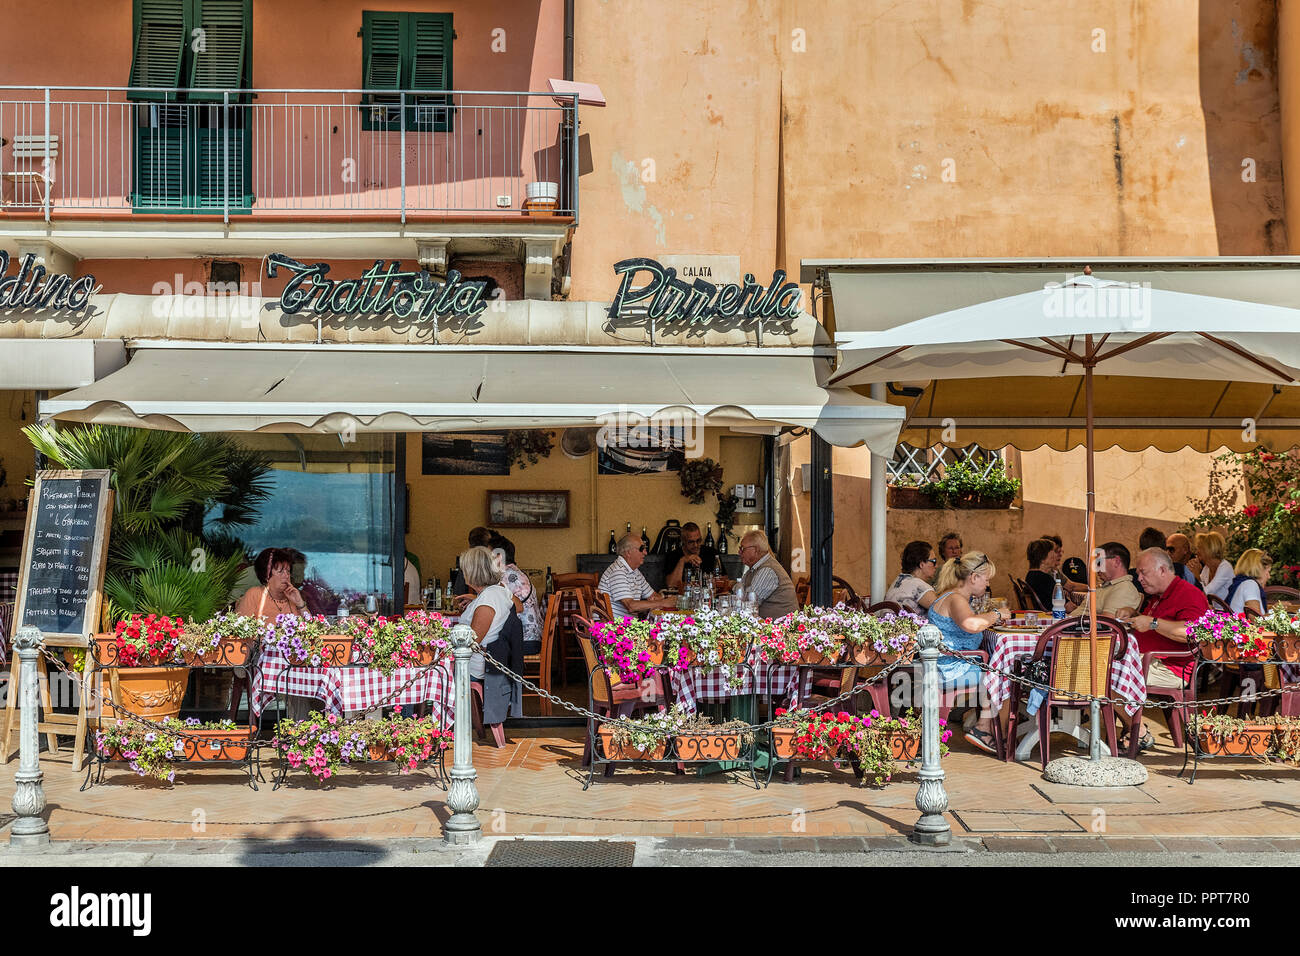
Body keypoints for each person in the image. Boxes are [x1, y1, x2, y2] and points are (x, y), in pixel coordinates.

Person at [1123, 547, 1210, 749]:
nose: (1139, 578)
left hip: (1169, 668)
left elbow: (1191, 632)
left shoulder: (1189, 594)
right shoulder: (1157, 594)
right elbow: (1152, 623)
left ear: (1162, 570)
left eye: (1143, 572)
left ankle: (1139, 733)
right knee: (1099, 664)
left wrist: (1153, 623)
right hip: (1146, 660)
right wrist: (1133, 614)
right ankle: (1131, 729)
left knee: (1106, 674)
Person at [927, 552, 1005, 754]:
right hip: (950, 668)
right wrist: (996, 615)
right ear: (973, 577)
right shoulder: (956, 599)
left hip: (948, 664)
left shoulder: (950, 596)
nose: (987, 585)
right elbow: (970, 624)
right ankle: (985, 728)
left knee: (996, 671)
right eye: (986, 579)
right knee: (1004, 676)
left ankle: (982, 720)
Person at [460, 545, 524, 736]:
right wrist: (477, 598)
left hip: (474, 665)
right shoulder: (501, 590)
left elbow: (469, 644)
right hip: (494, 658)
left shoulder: (487, 603)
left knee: (425, 670)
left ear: (472, 572)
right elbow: (518, 607)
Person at [599, 533, 677, 618]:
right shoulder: (618, 571)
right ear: (628, 552)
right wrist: (662, 603)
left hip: (627, 625)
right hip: (613, 627)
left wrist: (656, 600)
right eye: (642, 549)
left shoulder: (634, 571)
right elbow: (631, 606)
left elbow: (653, 596)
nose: (646, 553)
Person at [489, 531, 542, 651]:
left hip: (524, 640)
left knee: (483, 646)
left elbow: (495, 606)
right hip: (531, 637)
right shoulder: (514, 573)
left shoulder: (506, 576)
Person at [1068, 541, 1141, 619]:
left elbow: (1107, 625)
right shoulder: (1107, 586)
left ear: (1116, 561)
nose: (1096, 569)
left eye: (1099, 563)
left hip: (1079, 629)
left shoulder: (1124, 588)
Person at [736, 530, 799, 618]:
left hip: (780, 628)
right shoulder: (753, 569)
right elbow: (738, 593)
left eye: (742, 549)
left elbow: (748, 605)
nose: (739, 552)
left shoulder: (767, 570)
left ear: (756, 550)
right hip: (767, 627)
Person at [235, 547, 310, 620]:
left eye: (288, 571)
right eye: (280, 571)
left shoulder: (294, 596)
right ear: (266, 575)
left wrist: (300, 603)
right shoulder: (254, 595)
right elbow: (238, 629)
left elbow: (312, 628)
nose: (286, 575)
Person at [664, 521, 723, 591]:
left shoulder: (711, 553)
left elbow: (724, 579)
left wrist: (710, 580)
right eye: (691, 542)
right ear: (683, 541)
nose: (695, 545)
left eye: (698, 540)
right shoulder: (673, 555)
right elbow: (671, 585)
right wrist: (682, 561)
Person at [884, 540, 938, 614]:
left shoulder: (900, 580)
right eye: (934, 561)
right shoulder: (918, 585)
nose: (936, 566)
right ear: (921, 564)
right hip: (904, 625)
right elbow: (943, 610)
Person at [1226, 549, 1271, 617]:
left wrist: (1274, 609)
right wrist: (1278, 613)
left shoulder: (1242, 583)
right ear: (1259, 569)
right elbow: (1256, 619)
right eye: (1268, 571)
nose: (1269, 576)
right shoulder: (1250, 585)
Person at [452, 526, 493, 596]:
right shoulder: (493, 561)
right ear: (488, 543)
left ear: (470, 543)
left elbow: (458, 593)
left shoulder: (466, 562)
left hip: (470, 603)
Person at [1195, 531, 1233, 601]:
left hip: (1227, 611)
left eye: (1199, 548)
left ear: (1209, 549)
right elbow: (1194, 593)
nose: (1196, 552)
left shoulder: (1225, 568)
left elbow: (1204, 593)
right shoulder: (1207, 568)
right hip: (1214, 610)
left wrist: (1197, 576)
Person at [1024, 538, 1058, 611]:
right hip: (1051, 617)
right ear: (1043, 559)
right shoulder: (1045, 579)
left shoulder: (1031, 575)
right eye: (1053, 552)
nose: (1056, 555)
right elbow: (1067, 607)